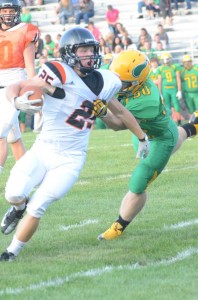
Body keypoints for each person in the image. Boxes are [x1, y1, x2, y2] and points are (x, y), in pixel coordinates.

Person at [0, 28, 150, 261]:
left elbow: (120, 114)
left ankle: (11, 251)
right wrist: (17, 101)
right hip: (43, 149)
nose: (89, 55)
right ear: (70, 53)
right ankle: (18, 208)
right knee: (13, 194)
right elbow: (14, 88)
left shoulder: (105, 80)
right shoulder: (57, 72)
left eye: (92, 49)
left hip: (71, 158)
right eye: (83, 50)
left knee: (39, 204)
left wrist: (142, 137)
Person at [96, 49, 198, 241]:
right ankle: (193, 127)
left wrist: (102, 112)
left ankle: (119, 225)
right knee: (176, 136)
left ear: (136, 82)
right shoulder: (122, 73)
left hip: (160, 137)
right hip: (146, 131)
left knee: (139, 181)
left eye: (123, 82)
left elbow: (118, 124)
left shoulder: (147, 101)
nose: (118, 84)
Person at [0, 0, 40, 175]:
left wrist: (36, 92)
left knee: (0, 134)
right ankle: (26, 175)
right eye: (5, 10)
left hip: (14, 87)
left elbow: (30, 67)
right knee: (13, 137)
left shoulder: (26, 30)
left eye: (11, 10)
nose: (8, 13)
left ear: (18, 11)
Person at [156, 51, 183, 124]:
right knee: (167, 106)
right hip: (165, 89)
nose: (166, 61)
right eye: (165, 59)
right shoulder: (160, 69)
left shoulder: (175, 66)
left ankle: (179, 122)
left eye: (167, 59)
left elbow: (178, 78)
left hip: (173, 89)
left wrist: (179, 90)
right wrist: (160, 93)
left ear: (170, 59)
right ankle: (170, 122)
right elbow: (160, 81)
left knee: (176, 105)